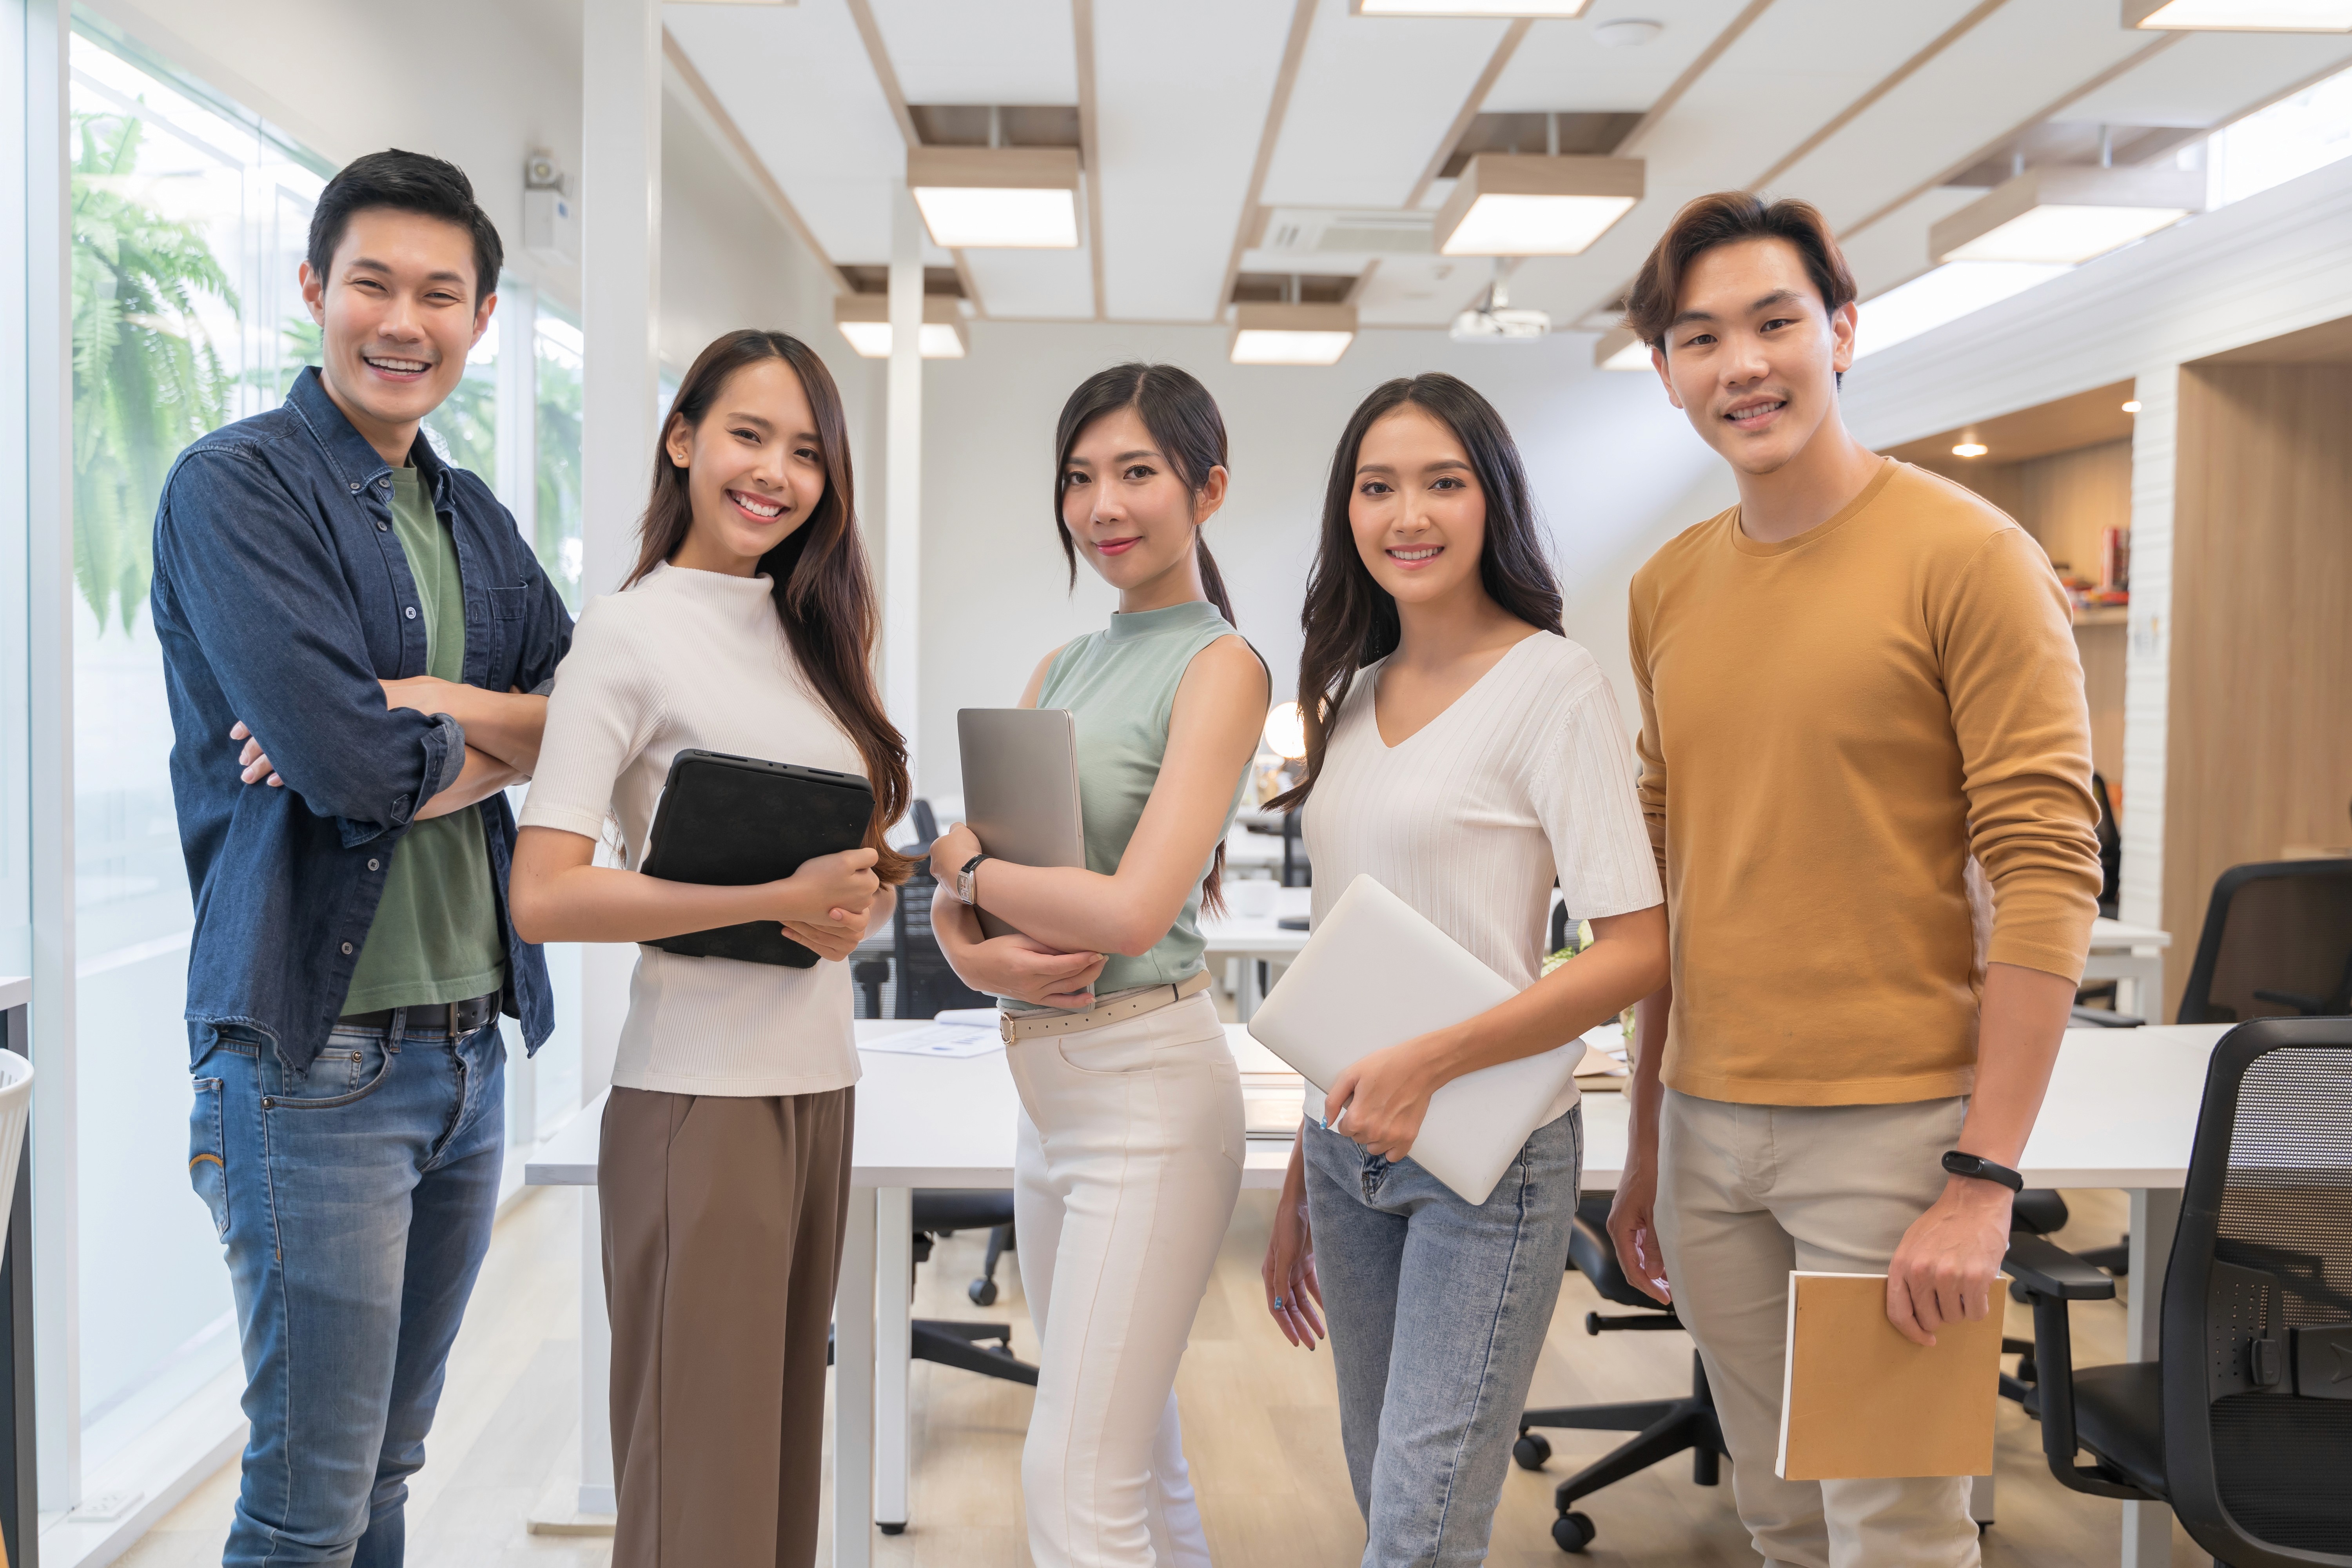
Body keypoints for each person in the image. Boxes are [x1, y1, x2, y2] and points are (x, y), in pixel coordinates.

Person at [1606, 192, 2102, 1568]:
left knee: (1897, 1528)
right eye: (1700, 339)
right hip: (1707, 1128)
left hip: (1896, 1133)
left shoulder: (1969, 556)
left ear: (1842, 330)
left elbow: (2051, 866)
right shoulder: (1666, 586)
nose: (1742, 364)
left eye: (1775, 323)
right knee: (1774, 1515)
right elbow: (1673, 881)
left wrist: (1984, 1179)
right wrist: (1646, 1135)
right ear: (1667, 375)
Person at [152, 149, 573, 1565]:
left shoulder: (477, 523)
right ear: (314, 289)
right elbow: (339, 772)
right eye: (373, 284)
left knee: (388, 1474)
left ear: (484, 316)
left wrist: (431, 710)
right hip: (311, 1059)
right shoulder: (236, 490)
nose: (404, 321)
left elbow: (602, 728)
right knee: (307, 1501)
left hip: (467, 1049)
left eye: (439, 294)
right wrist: (436, 742)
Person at [506, 330, 907, 1568]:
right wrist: (760, 894)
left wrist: (851, 904)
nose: (776, 473)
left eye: (806, 452)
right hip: (698, 1100)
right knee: (700, 1505)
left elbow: (857, 873)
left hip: (815, 1086)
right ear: (683, 441)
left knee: (775, 1490)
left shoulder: (815, 634)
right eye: (749, 436)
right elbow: (546, 895)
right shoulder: (626, 635)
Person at [1257, 374, 1669, 1568]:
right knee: (1382, 1495)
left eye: (1443, 482)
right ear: (1348, 514)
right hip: (1350, 1149)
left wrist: (1429, 1061)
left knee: (1423, 1531)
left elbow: (1638, 951)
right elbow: (1351, 958)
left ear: (1491, 501)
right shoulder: (1351, 695)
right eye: (1377, 487)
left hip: (1490, 1159)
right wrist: (1302, 1165)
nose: (1408, 515)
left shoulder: (1555, 684)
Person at [924, 362, 1268, 1568]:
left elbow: (1127, 913)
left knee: (1073, 1477)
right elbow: (982, 918)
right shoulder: (1062, 667)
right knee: (1134, 1449)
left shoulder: (1223, 666)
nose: (1103, 505)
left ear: (1206, 491)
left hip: (1148, 1093)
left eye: (1137, 474)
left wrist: (961, 871)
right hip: (1048, 1091)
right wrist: (972, 938)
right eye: (1081, 478)